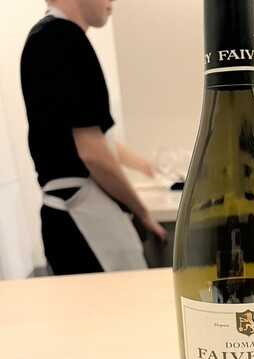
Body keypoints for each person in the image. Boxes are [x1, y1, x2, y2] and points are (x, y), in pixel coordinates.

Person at [20, 0, 168, 275]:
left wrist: (145, 167)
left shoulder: (46, 38)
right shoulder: (64, 39)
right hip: (80, 218)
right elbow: (92, 152)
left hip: (65, 219)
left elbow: (95, 139)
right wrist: (141, 211)